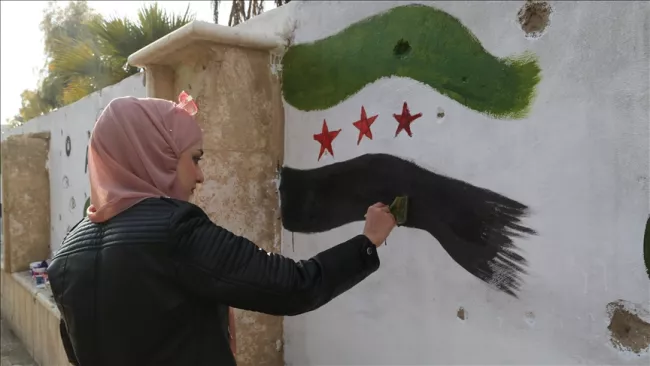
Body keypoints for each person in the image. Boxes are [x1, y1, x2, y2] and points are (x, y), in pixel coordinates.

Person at [47, 96, 397, 366]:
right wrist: (367, 242)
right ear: (157, 155)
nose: (199, 177)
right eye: (194, 159)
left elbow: (78, 351)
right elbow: (293, 285)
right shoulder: (174, 229)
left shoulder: (66, 254)